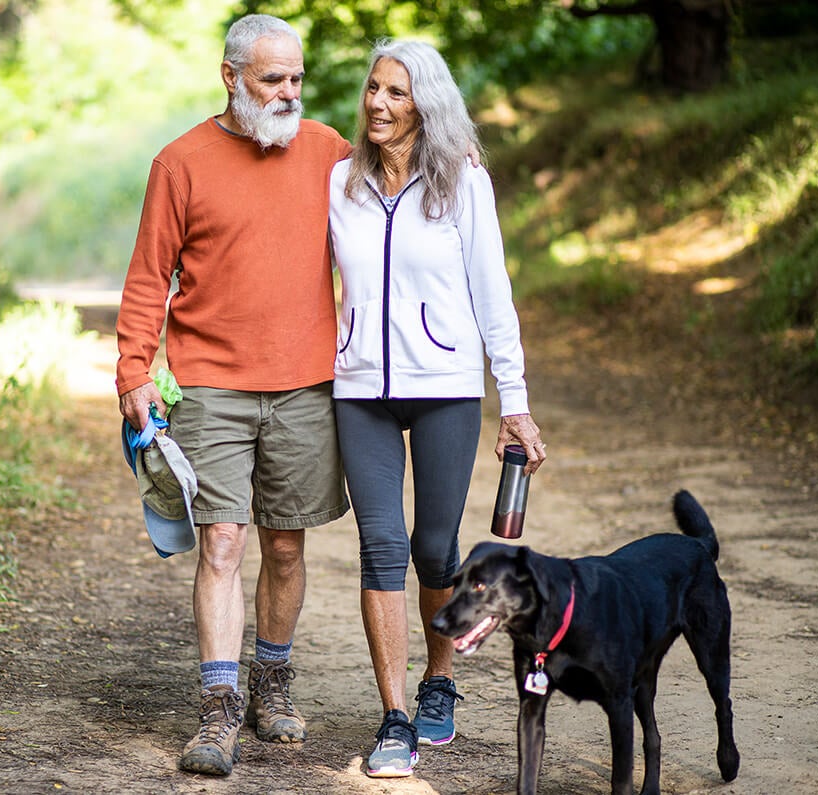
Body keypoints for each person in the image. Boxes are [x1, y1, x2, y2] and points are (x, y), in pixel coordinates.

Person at [114, 14, 354, 777]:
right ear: (230, 77)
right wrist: (133, 372)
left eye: (296, 79)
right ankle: (217, 710)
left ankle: (272, 684)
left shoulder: (327, 151)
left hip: (308, 383)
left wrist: (459, 155)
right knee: (223, 539)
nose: (288, 94)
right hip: (211, 383)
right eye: (271, 79)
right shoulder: (180, 162)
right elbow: (149, 276)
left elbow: (403, 192)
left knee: (287, 542)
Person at [327, 39, 548, 778]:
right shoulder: (341, 184)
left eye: (396, 92)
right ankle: (395, 716)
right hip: (361, 390)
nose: (379, 105)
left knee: (434, 548)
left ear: (426, 103)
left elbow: (494, 295)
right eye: (373, 90)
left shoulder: (463, 185)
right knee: (382, 546)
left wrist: (512, 401)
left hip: (446, 388)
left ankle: (440, 678)